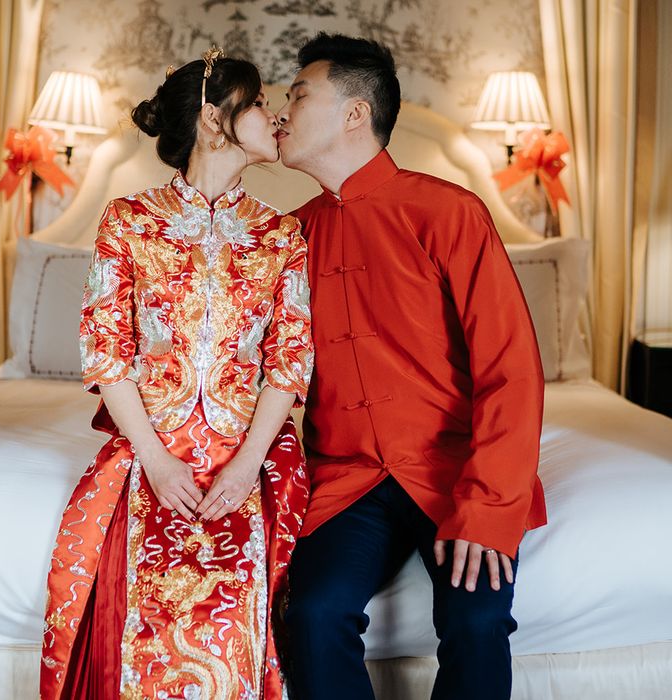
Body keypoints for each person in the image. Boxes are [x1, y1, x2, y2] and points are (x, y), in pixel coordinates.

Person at [275, 33, 547, 700]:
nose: (281, 113)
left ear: (354, 113)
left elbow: (511, 367)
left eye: (298, 94)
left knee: (477, 618)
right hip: (347, 479)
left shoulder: (448, 212)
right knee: (310, 614)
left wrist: (487, 508)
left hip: (452, 471)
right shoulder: (287, 236)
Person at [39, 47, 314, 700]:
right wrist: (158, 462)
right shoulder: (129, 223)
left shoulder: (281, 236)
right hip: (151, 452)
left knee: (239, 607)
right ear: (216, 120)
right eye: (261, 104)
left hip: (250, 457)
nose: (276, 116)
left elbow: (289, 362)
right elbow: (108, 357)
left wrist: (248, 464)